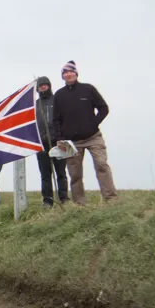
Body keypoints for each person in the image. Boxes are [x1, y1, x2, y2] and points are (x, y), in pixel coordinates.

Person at [53, 60, 117, 205]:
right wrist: (59, 138)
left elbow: (104, 108)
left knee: (101, 165)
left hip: (93, 137)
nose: (68, 75)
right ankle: (80, 203)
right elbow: (55, 119)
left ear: (76, 73)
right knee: (75, 174)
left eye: (71, 72)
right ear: (63, 76)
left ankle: (111, 199)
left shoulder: (88, 89)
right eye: (65, 73)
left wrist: (93, 124)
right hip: (71, 142)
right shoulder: (59, 95)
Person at [35, 76, 69, 208]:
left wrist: (61, 137)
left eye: (45, 84)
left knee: (61, 172)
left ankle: (64, 198)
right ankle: (47, 200)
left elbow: (64, 119)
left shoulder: (57, 100)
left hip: (58, 142)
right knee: (45, 174)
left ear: (49, 85)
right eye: (40, 85)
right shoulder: (36, 105)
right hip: (41, 144)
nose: (43, 87)